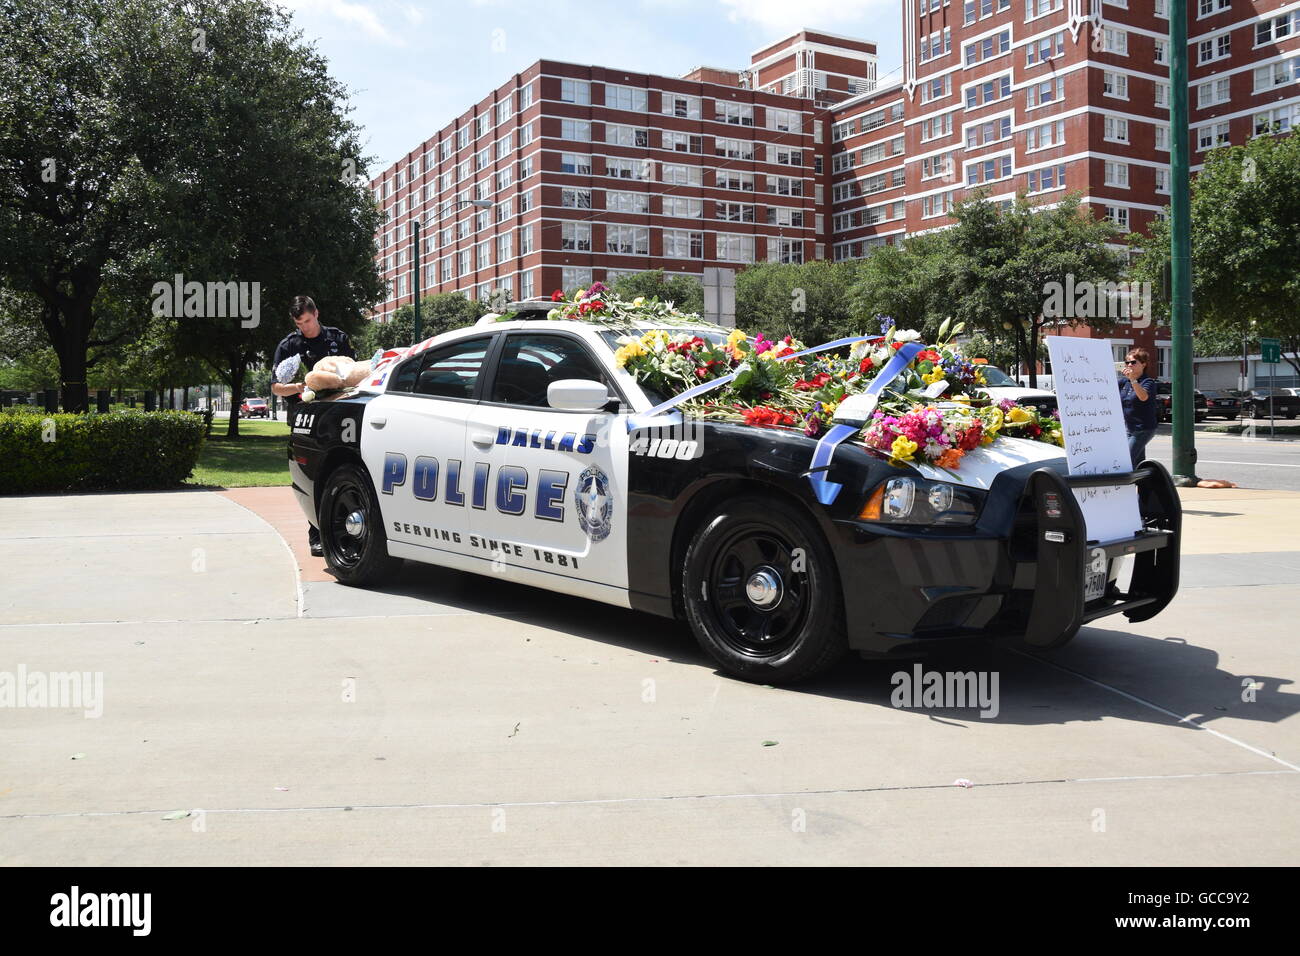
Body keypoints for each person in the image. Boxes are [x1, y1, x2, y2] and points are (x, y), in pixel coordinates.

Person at [271, 295, 355, 557]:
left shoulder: (337, 339)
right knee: (311, 476)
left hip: (337, 413)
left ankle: (344, 527)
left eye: (307, 320)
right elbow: (275, 388)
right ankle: (316, 534)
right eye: (299, 323)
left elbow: (354, 370)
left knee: (341, 470)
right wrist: (299, 386)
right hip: (304, 417)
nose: (305, 327)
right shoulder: (289, 345)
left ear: (316, 313)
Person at [1119, 347, 1158, 468]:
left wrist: (1133, 380)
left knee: (1126, 460)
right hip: (1129, 428)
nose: (1130, 365)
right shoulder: (1123, 382)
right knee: (1138, 463)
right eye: (1127, 362)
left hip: (1143, 429)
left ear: (1143, 364)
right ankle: (1144, 486)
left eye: (1133, 362)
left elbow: (1143, 397)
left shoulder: (1148, 382)